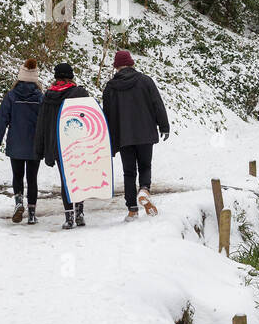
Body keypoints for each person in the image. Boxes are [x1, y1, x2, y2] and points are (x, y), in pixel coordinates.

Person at [103, 50, 170, 221]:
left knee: (129, 172)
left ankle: (132, 210)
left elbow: (107, 114)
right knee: (145, 166)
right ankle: (145, 189)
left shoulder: (111, 87)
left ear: (116, 67)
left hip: (124, 136)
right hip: (145, 132)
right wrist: (164, 126)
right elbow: (157, 104)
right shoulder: (145, 81)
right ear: (132, 63)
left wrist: (109, 138)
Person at [34, 62, 90, 230]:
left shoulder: (49, 96)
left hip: (57, 144)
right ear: (71, 75)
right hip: (76, 142)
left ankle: (69, 217)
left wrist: (40, 148)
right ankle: (79, 212)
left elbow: (42, 123)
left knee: (66, 180)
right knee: (78, 177)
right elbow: (88, 117)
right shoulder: (79, 93)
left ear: (56, 76)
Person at [0, 58, 43, 224]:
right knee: (32, 178)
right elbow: (46, 122)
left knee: (18, 176)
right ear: (35, 78)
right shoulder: (40, 97)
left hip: (16, 144)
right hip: (35, 145)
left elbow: (2, 120)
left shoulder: (11, 96)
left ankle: (19, 202)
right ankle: (32, 213)